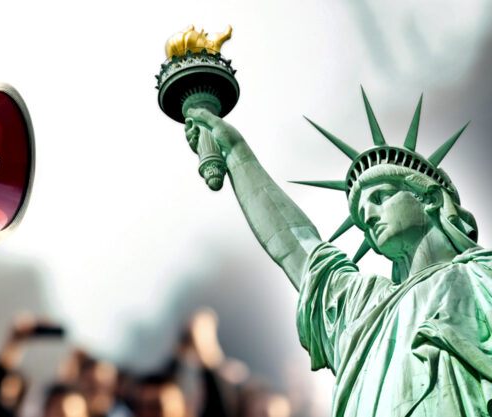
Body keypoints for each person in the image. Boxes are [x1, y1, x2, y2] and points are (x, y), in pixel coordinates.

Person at [182, 92, 492, 416]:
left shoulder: (483, 276)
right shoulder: (365, 307)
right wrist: (235, 153)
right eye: (360, 213)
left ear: (428, 197)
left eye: (381, 197)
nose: (369, 216)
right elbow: (294, 246)